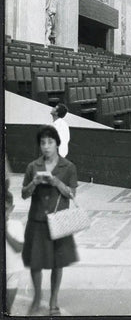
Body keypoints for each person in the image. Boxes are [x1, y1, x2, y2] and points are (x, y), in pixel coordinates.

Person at [21, 125, 78, 316]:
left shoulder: (69, 167)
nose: (46, 146)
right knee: (35, 262)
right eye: (42, 143)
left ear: (57, 144)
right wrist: (34, 183)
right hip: (36, 220)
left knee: (57, 262)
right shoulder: (32, 167)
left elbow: (71, 194)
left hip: (60, 219)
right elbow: (23, 194)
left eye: (50, 142)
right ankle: (37, 298)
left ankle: (53, 301)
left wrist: (57, 182)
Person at [6, 161, 24, 314]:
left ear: (11, 209)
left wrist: (5, 233)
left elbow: (19, 248)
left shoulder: (16, 225)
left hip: (13, 272)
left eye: (5, 209)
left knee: (7, 309)